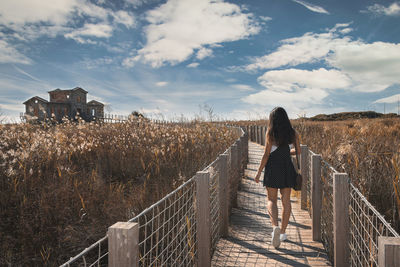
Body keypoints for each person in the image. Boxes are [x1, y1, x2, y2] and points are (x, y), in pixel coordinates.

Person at [254, 107, 300, 249]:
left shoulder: (271, 133)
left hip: (273, 169)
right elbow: (298, 151)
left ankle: (275, 226)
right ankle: (283, 233)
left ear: (272, 119)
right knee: (286, 201)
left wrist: (258, 172)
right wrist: (288, 152)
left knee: (271, 200)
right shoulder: (293, 133)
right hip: (287, 168)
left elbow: (266, 155)